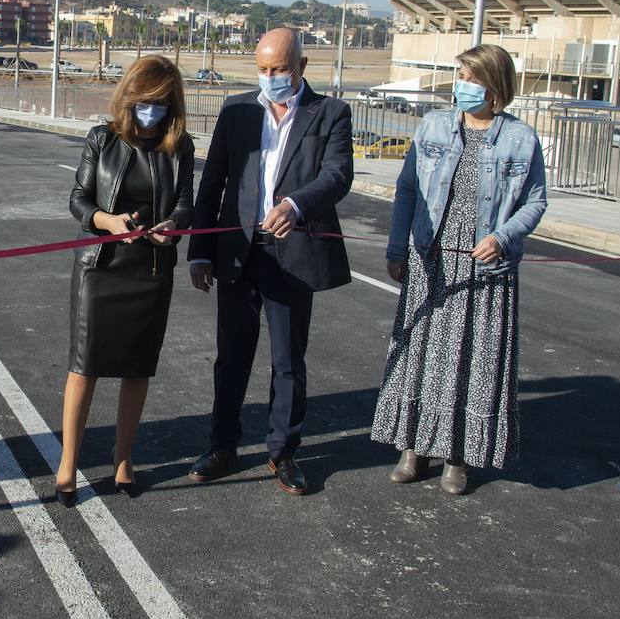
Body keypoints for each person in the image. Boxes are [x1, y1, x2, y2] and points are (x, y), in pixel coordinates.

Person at [371, 44, 547, 494]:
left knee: (472, 362)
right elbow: (407, 190)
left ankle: (457, 456)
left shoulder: (520, 139)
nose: (461, 86)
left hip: (485, 268)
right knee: (421, 356)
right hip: (432, 259)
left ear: (494, 86)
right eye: (460, 75)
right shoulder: (433, 126)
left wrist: (502, 237)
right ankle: (412, 446)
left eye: (470, 77)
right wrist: (397, 248)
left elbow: (535, 202)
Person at [186, 28, 354, 495]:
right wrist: (199, 249)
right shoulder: (238, 110)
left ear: (302, 65)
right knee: (231, 357)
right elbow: (213, 182)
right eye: (262, 70)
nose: (270, 78)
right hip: (238, 252)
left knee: (287, 361)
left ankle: (283, 452)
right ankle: (222, 445)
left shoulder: (331, 113)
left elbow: (338, 175)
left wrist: (296, 206)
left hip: (291, 254)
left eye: (279, 69)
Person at [57, 55, 196, 504]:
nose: (150, 110)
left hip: (151, 271)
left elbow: (185, 206)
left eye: (159, 102)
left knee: (138, 369)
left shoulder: (181, 146)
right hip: (101, 268)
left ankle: (123, 459)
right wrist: (105, 220)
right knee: (85, 368)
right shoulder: (103, 138)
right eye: (143, 100)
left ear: (171, 103)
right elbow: (77, 198)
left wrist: (169, 227)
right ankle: (68, 462)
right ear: (129, 98)